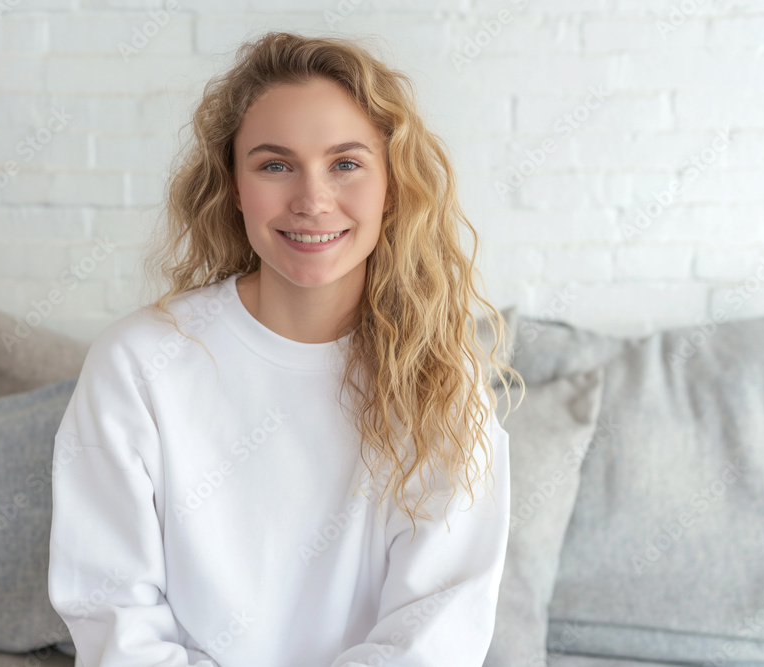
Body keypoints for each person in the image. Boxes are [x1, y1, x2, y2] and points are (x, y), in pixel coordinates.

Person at [47, 30, 523, 667]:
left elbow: (437, 628)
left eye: (346, 164)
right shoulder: (137, 364)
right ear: (234, 186)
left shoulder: (438, 375)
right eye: (275, 165)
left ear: (391, 185)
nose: (311, 201)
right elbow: (113, 615)